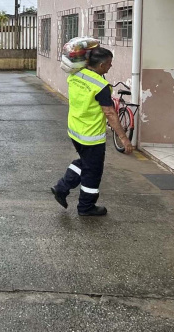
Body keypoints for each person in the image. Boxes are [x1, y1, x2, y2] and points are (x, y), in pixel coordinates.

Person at [51, 47, 133, 216]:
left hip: (75, 130)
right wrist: (124, 138)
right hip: (91, 136)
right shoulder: (101, 86)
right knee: (93, 171)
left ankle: (62, 187)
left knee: (86, 163)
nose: (110, 67)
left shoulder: (75, 75)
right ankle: (85, 207)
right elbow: (110, 113)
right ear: (102, 65)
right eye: (109, 64)